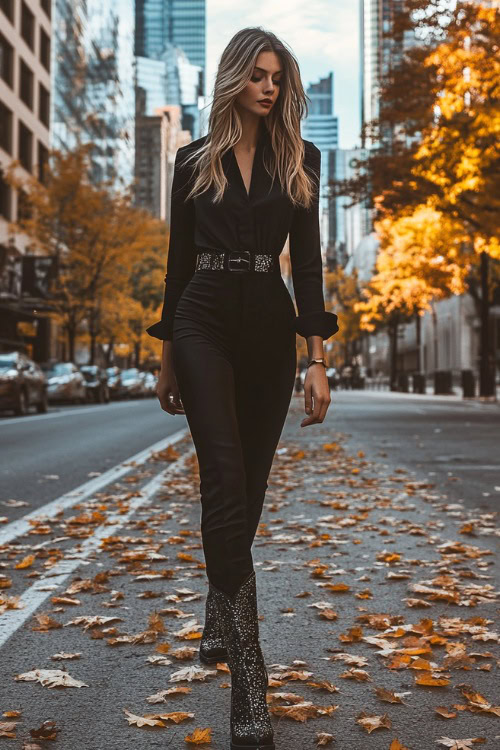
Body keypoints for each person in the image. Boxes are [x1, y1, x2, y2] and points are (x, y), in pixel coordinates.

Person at [145, 26, 339, 750]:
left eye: (278, 78)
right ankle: (249, 671)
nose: (269, 87)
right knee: (222, 476)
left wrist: (316, 357)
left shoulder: (302, 158)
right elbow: (174, 263)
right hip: (200, 317)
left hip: (268, 323)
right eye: (258, 75)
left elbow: (312, 266)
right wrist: (167, 355)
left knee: (249, 488)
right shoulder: (192, 159)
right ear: (234, 78)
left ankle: (216, 609)